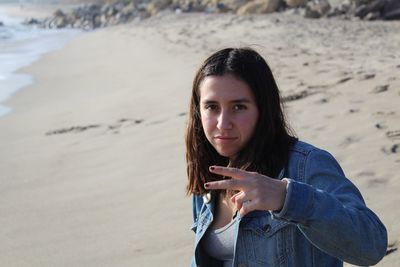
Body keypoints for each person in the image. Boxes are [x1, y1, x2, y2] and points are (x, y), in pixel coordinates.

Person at [185, 47, 387, 267]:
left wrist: (288, 198)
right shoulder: (210, 172)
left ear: (264, 109)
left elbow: (372, 246)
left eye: (238, 107)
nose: (223, 124)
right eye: (212, 107)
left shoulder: (305, 164)